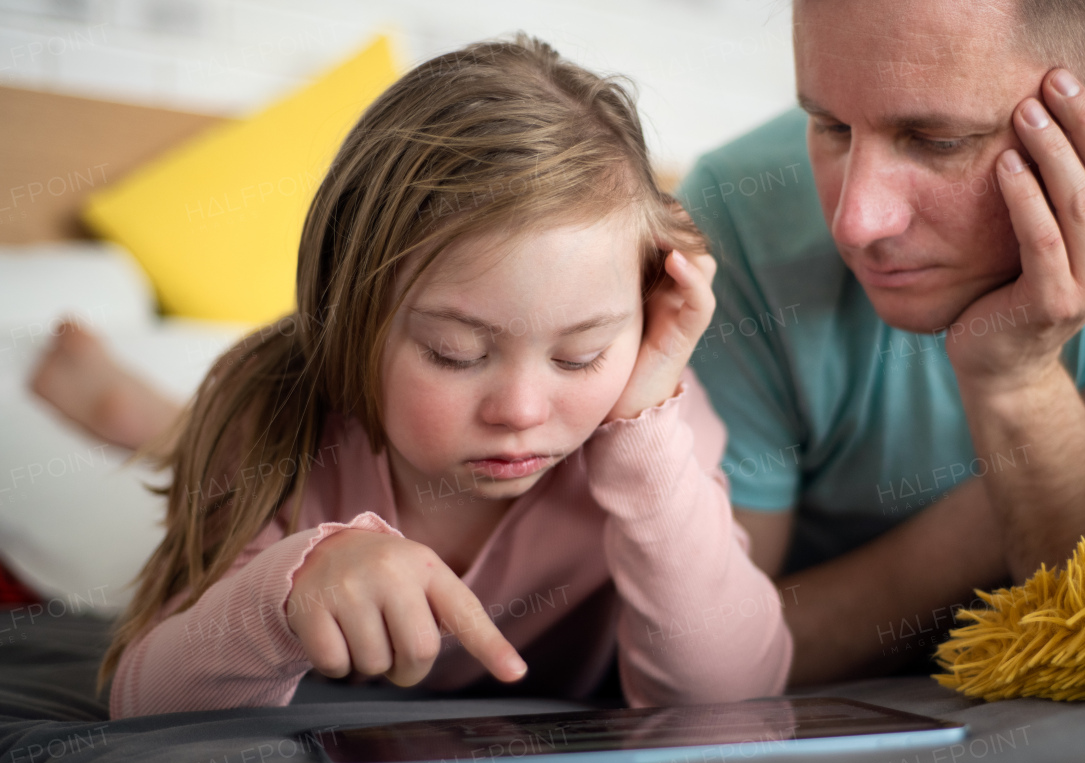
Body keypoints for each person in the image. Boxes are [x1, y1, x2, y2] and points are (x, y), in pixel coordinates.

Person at [84, 35, 792, 718]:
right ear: (350, 309)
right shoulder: (269, 415)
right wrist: (287, 593)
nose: (520, 409)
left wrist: (645, 441)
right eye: (455, 352)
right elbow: (142, 698)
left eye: (578, 356)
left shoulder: (657, 419)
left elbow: (733, 699)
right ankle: (131, 412)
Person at [679, 0, 1085, 684]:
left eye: (938, 140)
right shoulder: (734, 220)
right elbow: (705, 664)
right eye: (830, 125)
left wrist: (1013, 378)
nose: (856, 221)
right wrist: (1042, 464)